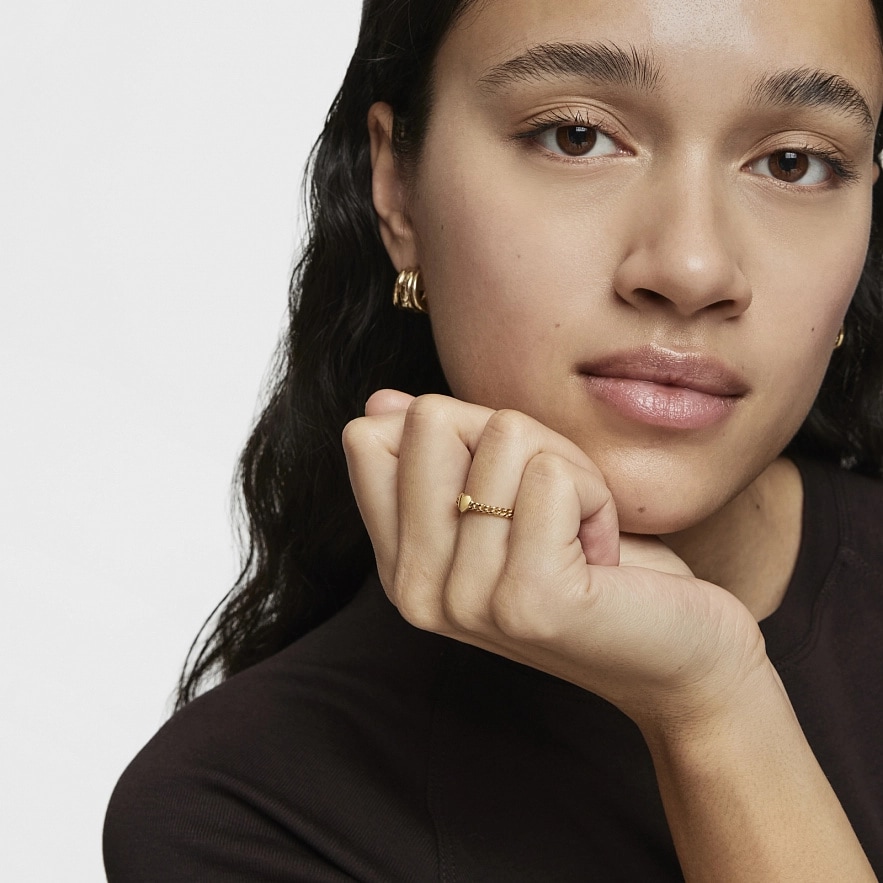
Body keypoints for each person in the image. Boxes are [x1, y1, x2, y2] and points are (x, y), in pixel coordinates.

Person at [104, 0, 883, 879]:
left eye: (793, 162)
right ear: (396, 188)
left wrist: (717, 703)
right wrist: (709, 700)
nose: (691, 268)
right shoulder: (243, 817)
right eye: (576, 137)